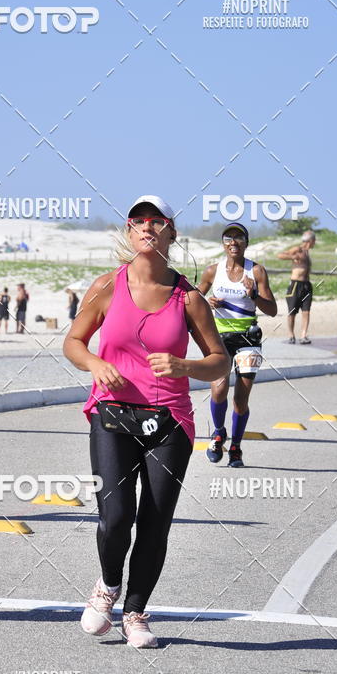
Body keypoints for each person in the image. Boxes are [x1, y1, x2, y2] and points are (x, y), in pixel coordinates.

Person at [63, 196, 229, 648]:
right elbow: (74, 341)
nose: (148, 227)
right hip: (112, 414)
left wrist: (185, 367)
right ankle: (108, 585)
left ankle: (135, 611)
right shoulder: (107, 286)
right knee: (115, 516)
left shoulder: (188, 297)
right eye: (139, 220)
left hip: (169, 420)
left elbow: (220, 362)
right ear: (129, 231)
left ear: (172, 233)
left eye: (158, 221)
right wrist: (95, 363)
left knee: (155, 522)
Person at [198, 223, 277, 468]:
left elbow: (272, 310)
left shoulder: (257, 271)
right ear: (223, 243)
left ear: (246, 242)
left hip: (248, 339)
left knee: (240, 400)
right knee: (219, 389)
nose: (234, 242)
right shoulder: (213, 271)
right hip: (219, 338)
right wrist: (207, 301)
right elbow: (194, 299)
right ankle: (219, 433)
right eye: (228, 238)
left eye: (239, 237)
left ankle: (236, 448)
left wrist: (253, 295)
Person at [277, 230, 316, 344]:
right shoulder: (298, 249)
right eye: (314, 240)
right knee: (292, 312)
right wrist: (292, 256)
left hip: (306, 285)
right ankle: (291, 335)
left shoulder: (308, 253)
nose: (315, 243)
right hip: (295, 284)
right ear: (310, 240)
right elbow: (280, 255)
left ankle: (303, 335)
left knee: (306, 311)